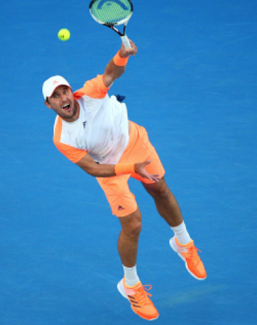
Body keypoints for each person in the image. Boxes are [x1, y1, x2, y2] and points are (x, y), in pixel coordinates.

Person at [42, 40, 206, 321]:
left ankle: (184, 243)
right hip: (109, 165)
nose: (63, 97)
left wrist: (122, 54)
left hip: (134, 141)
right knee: (133, 224)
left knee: (161, 189)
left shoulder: (91, 93)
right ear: (49, 105)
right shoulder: (62, 138)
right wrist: (132, 168)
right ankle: (130, 285)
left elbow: (110, 73)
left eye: (64, 90)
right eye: (55, 96)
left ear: (71, 91)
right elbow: (93, 169)